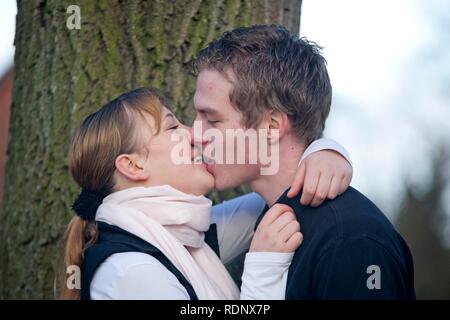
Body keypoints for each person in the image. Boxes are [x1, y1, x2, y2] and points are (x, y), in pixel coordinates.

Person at [58, 87, 352, 299]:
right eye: (173, 126)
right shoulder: (132, 271)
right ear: (134, 165)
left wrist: (324, 152)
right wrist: (262, 271)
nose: (195, 134)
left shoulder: (185, 236)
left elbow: (282, 189)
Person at [191, 24, 416, 299]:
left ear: (272, 126)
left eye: (212, 120)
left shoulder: (351, 240)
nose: (195, 135)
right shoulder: (265, 216)